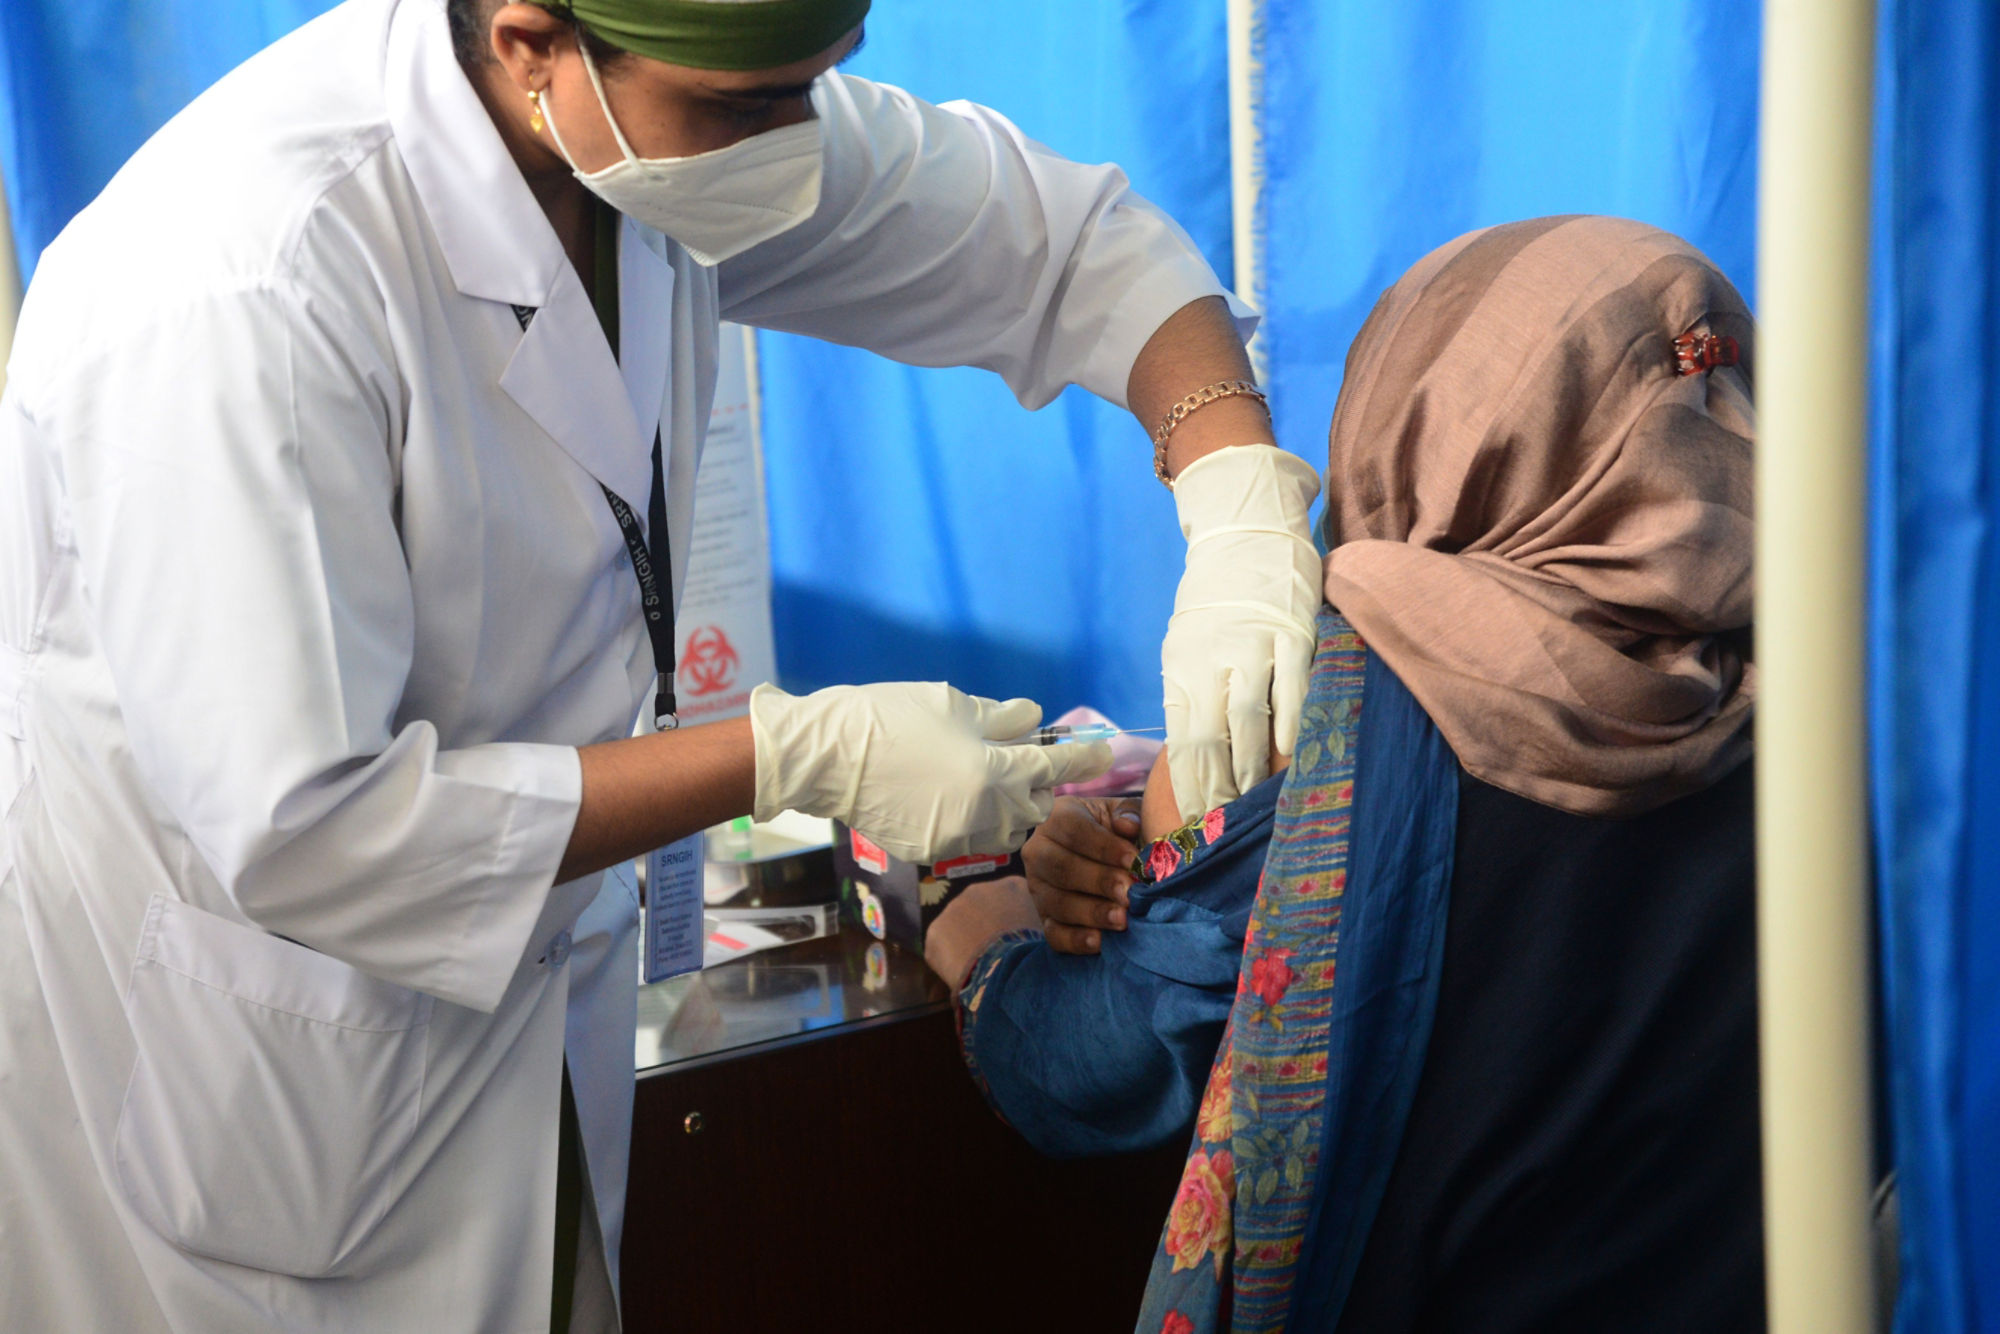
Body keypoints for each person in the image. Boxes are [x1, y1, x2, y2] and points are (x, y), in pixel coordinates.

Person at [0, 0, 1324, 1328]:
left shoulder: (661, 112)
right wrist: (795, 753)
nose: (796, 143)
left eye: (823, 82)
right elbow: (311, 827)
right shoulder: (238, 286)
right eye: (751, 108)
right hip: (257, 1065)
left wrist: (1236, 492)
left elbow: (1057, 245)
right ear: (529, 37)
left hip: (535, 998)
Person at [926, 215, 1763, 1332]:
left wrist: (973, 933)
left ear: (1414, 414)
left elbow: (1095, 1064)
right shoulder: (1839, 681)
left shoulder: (1338, 710)